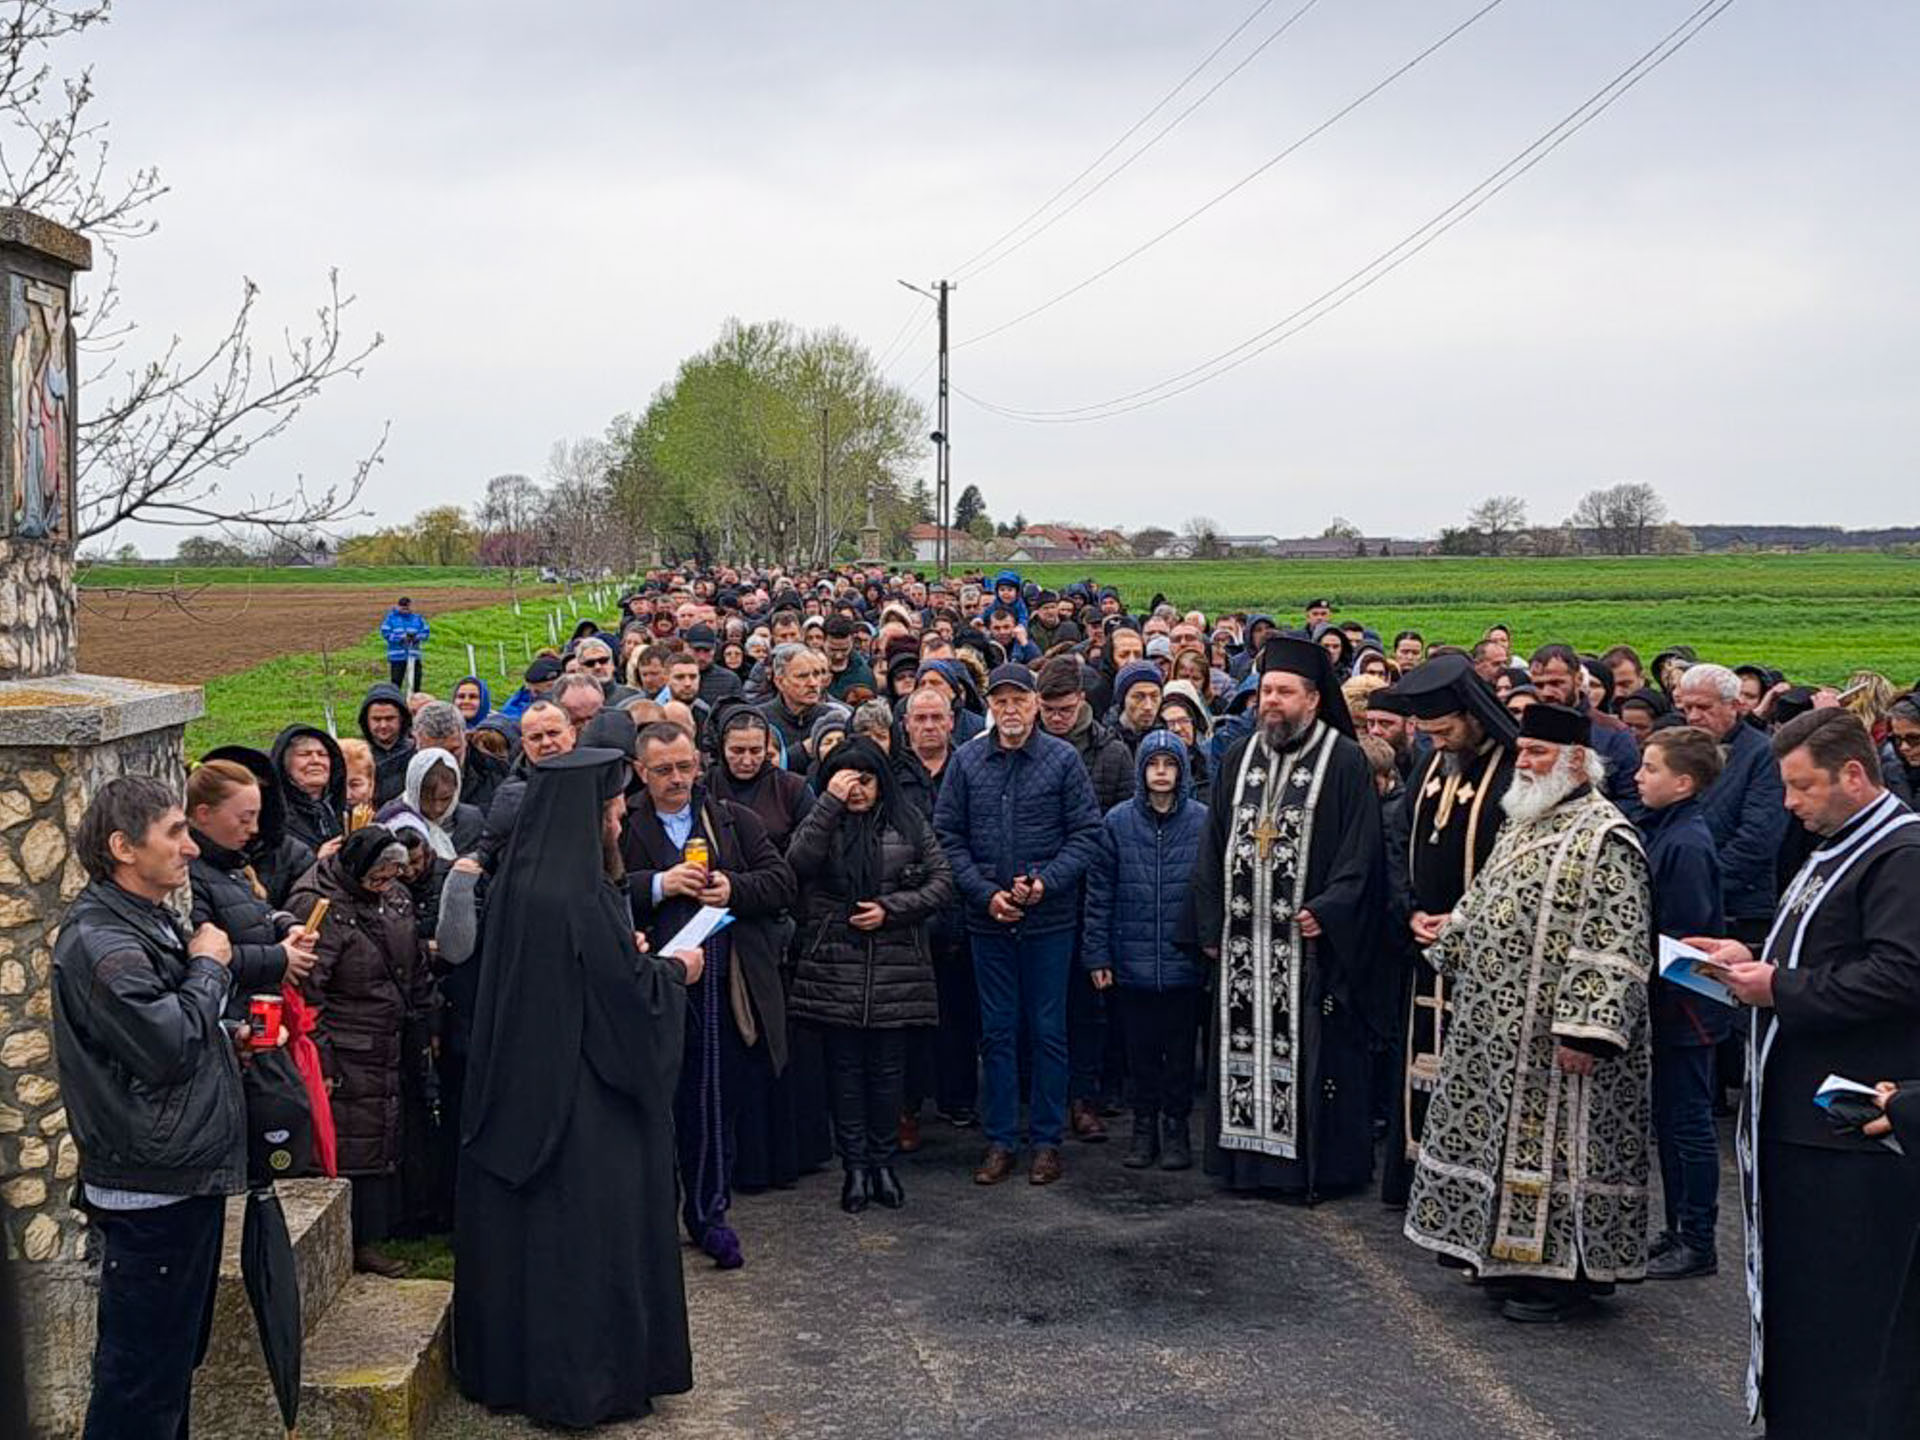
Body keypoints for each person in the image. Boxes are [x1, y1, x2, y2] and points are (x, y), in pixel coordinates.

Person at [1686, 710, 1920, 1439]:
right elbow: (1823, 949)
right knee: (1808, 1304)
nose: (1789, 803)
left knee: (1849, 1315)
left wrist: (1777, 989)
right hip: (1805, 1124)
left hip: (1851, 1129)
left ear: (1854, 774)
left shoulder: (1901, 853)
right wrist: (1746, 953)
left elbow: (1900, 974)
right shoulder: (1839, 844)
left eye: (1801, 787)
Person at [454, 748, 698, 1428]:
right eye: (615, 810)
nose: (621, 821)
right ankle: (590, 1385)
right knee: (586, 1247)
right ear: (589, 817)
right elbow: (625, 1005)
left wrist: (629, 961)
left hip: (523, 1095)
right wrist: (676, 971)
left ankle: (517, 1373)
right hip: (585, 1104)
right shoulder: (583, 893)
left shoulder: (521, 883)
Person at [1402, 703, 1654, 1323]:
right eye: (1523, 751)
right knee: (1498, 1143)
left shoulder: (1606, 836)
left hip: (1558, 1040)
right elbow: (1485, 896)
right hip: (1496, 1028)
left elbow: (1615, 942)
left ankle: (1558, 1280)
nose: (1525, 763)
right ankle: (1500, 1260)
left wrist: (1586, 1033)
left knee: (1562, 1157)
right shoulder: (1524, 823)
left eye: (1538, 754)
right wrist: (1450, 930)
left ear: (1575, 763)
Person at [53, 777, 247, 1439]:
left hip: (174, 1180)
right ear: (122, 847)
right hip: (151, 1192)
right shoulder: (105, 944)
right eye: (174, 832)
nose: (191, 848)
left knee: (167, 1369)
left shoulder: (139, 918)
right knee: (139, 1384)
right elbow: (166, 1046)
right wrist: (211, 970)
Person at [1192, 636, 1383, 1201]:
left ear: (1314, 699)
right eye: (1266, 691)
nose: (1270, 702)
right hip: (1244, 944)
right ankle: (1245, 1165)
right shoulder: (1238, 757)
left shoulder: (1344, 760)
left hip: (1309, 946)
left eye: (1284, 692)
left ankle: (1312, 1171)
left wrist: (1329, 910)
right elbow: (1213, 843)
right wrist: (1208, 925)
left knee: (1313, 1054)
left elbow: (1362, 851)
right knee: (1242, 1044)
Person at [625, 722, 797, 1269]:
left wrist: (733, 888)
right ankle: (651, 1220)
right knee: (649, 1109)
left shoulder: (730, 819)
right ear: (640, 772)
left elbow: (781, 883)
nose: (677, 780)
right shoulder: (622, 824)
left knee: (711, 1105)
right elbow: (598, 889)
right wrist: (658, 884)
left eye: (684, 767)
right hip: (647, 986)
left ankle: (709, 1214)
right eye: (664, 771)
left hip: (723, 986)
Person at [934, 663, 1103, 1187]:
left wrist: (1046, 883)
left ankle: (1048, 1141)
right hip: (989, 922)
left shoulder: (1062, 760)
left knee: (1049, 1030)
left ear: (1034, 704)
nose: (1010, 710)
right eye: (1001, 701)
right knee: (999, 1031)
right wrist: (986, 896)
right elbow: (948, 836)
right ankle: (1001, 1139)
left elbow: (1086, 834)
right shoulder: (967, 761)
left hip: (1049, 921)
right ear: (990, 706)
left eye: (1019, 700)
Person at [1370, 654, 1516, 1205]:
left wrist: (1459, 919)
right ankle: (1417, 1175)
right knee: (1419, 1065)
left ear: (1474, 717)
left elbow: (1513, 863)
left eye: (1446, 731)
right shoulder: (1431, 766)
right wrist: (1408, 909)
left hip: (1480, 949)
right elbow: (1401, 840)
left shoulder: (1512, 769)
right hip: (1425, 943)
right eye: (1427, 734)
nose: (1437, 743)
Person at [787, 737, 954, 1213]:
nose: (858, 789)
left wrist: (891, 909)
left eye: (866, 779)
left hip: (895, 964)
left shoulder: (907, 820)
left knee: (887, 1075)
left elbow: (942, 882)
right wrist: (829, 803)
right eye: (847, 780)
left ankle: (882, 1164)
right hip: (836, 963)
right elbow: (796, 864)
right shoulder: (826, 819)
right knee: (844, 1073)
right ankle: (855, 1167)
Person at [289, 826, 435, 1277]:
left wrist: (429, 1023)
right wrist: (324, 1059)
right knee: (354, 1139)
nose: (386, 883)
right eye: (379, 875)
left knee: (386, 1131)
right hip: (347, 1040)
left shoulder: (395, 898)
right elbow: (309, 992)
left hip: (390, 1035)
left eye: (394, 874)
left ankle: (389, 1224)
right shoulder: (318, 904)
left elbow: (416, 966)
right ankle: (356, 1239)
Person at [1084, 731, 1208, 1170]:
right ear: (1140, 770)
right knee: (1139, 1052)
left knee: (1178, 1053)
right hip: (1132, 961)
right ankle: (1143, 1128)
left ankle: (1176, 1128)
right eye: (1152, 764)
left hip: (1182, 963)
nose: (1161, 772)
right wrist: (1097, 955)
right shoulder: (1117, 822)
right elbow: (1099, 893)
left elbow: (1211, 890)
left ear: (1182, 770)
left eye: (1169, 764)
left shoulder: (1201, 821)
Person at [1632, 725, 1729, 1281]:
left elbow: (1686, 936)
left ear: (1684, 782)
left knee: (1687, 1124)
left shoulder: (1686, 844)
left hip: (1686, 1003)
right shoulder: (1666, 830)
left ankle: (1697, 1237)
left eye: (1651, 768)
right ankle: (1676, 1229)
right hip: (1673, 1001)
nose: (1640, 777)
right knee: (1670, 1121)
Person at [185, 759, 319, 1014]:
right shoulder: (189, 875)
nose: (254, 829)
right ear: (203, 814)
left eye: (256, 817)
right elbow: (204, 953)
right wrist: (279, 959)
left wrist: (289, 926)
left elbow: (259, 913)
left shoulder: (232, 864)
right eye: (244, 819)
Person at [271, 721, 347, 853]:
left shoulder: (340, 809)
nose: (315, 761)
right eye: (304, 755)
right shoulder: (275, 817)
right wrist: (316, 862)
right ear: (285, 765)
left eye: (322, 754)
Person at [358, 681, 416, 806]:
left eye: (390, 719)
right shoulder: (358, 756)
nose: (383, 725)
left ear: (402, 719)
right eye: (376, 719)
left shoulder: (416, 752)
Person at [380, 595, 430, 690]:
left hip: (414, 656)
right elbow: (385, 633)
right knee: (396, 683)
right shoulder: (391, 619)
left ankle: (415, 701)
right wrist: (401, 638)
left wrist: (416, 637)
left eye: (407, 608)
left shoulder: (417, 619)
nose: (405, 610)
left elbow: (426, 632)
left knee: (416, 683)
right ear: (398, 606)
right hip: (397, 657)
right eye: (403, 608)